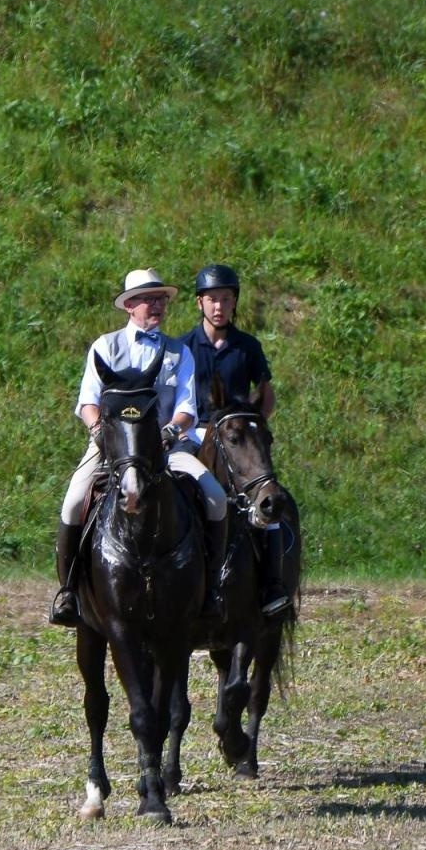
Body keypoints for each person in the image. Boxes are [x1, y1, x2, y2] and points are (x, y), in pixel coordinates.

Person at [49, 269, 229, 627]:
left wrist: (168, 432)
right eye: (149, 299)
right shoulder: (105, 346)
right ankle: (68, 591)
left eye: (161, 299)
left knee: (215, 496)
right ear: (130, 305)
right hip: (111, 445)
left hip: (166, 446)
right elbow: (88, 402)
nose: (157, 305)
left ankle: (211, 588)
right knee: (73, 499)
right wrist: (98, 429)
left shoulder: (180, 352)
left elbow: (187, 409)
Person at [173, 264, 290, 617]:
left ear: (234, 302)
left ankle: (273, 586)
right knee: (174, 488)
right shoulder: (183, 347)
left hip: (237, 434)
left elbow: (265, 393)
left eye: (226, 299)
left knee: (266, 497)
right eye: (212, 300)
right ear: (200, 303)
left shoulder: (247, 346)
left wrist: (255, 428)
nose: (219, 306)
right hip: (196, 430)